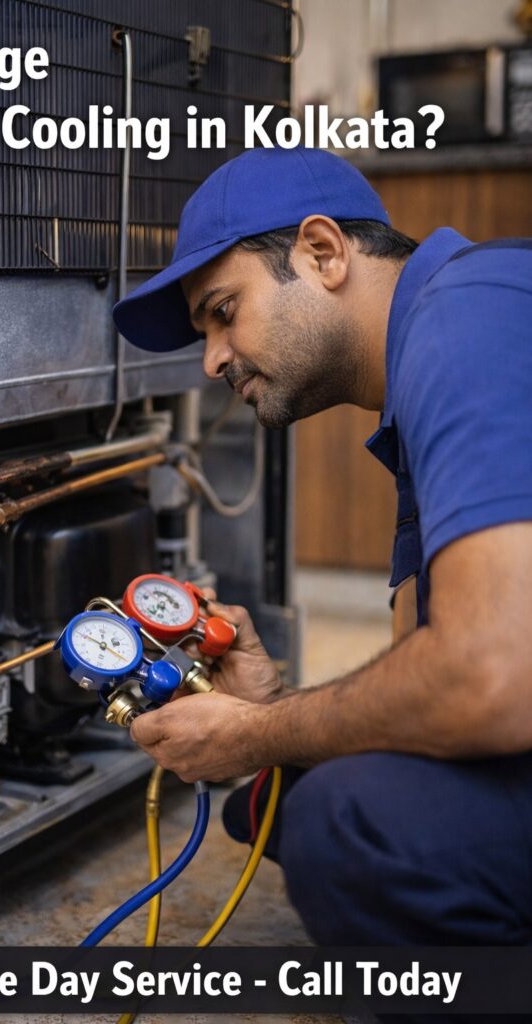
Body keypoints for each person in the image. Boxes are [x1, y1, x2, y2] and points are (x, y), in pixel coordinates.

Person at [112, 147, 532, 960]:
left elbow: (491, 680)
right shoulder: (428, 361)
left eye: (223, 311)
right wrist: (269, 713)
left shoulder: (465, 323)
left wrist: (259, 735)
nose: (211, 360)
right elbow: (431, 673)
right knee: (275, 795)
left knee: (349, 825)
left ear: (322, 252)